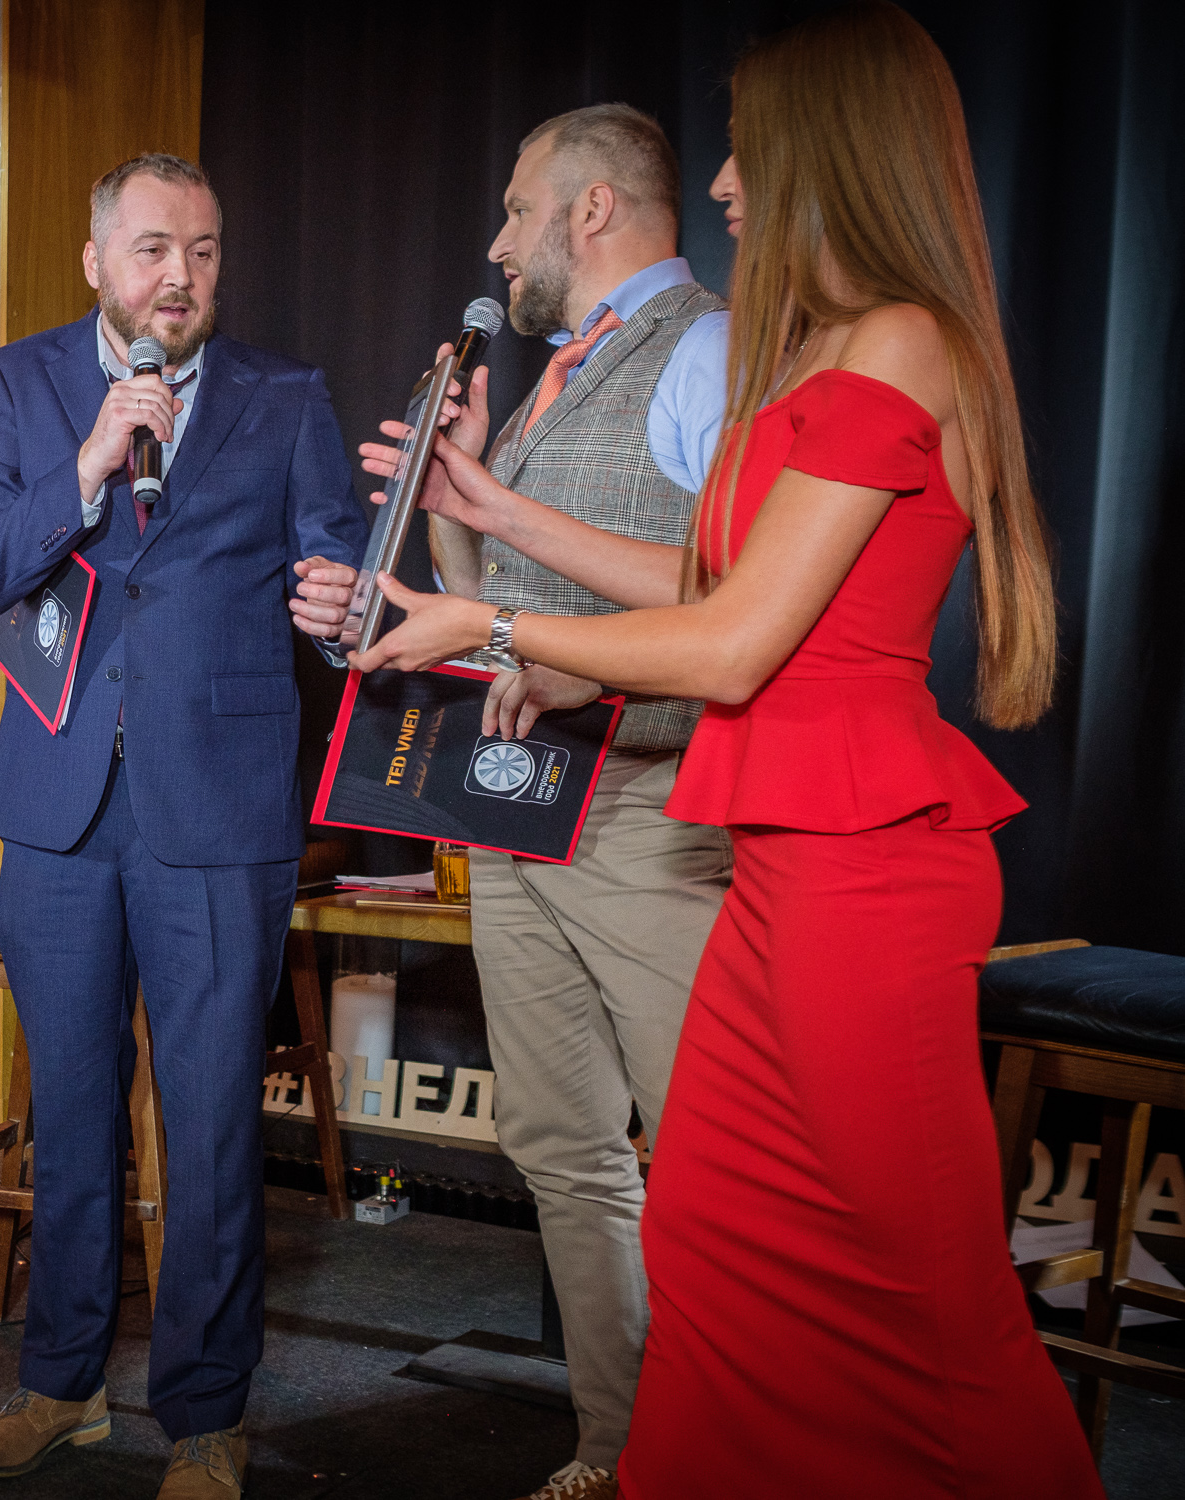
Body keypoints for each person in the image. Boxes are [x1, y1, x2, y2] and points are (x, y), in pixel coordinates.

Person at [346, 5, 1103, 1491]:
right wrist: (493, 522)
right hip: (778, 868)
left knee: (920, 1299)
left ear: (832, 148)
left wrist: (490, 626)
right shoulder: (826, 345)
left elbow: (733, 643)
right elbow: (710, 581)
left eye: (751, 149)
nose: (724, 181)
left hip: (865, 874)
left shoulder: (904, 340)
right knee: (710, 1237)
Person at [292, 103, 733, 1500]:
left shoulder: (708, 351)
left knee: (704, 1152)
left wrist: (502, 567)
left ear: (591, 208)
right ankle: (619, 1446)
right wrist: (450, 498)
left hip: (650, 808)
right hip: (523, 806)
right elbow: (495, 608)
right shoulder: (551, 375)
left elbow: (734, 594)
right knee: (559, 1144)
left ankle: (726, 1455)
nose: (497, 240)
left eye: (516, 207)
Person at [0, 154, 364, 1499]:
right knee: (69, 1110)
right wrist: (85, 462)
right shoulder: (21, 384)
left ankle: (204, 1414)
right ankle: (59, 1385)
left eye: (202, 250)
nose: (179, 275)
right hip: (58, 806)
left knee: (211, 1120)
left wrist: (340, 607)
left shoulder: (284, 396)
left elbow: (342, 575)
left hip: (220, 803)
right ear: (95, 262)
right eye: (151, 249)